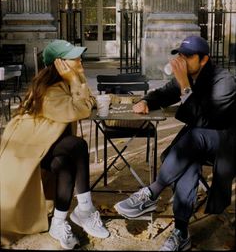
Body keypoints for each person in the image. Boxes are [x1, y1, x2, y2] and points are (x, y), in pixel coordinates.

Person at [114, 35, 236, 251]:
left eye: (188, 56)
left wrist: (185, 86)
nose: (181, 60)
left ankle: (152, 192)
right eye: (180, 55)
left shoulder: (223, 80)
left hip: (225, 142)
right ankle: (181, 231)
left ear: (204, 59)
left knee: (194, 137)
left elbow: (207, 121)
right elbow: (163, 94)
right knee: (188, 160)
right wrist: (146, 101)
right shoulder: (188, 75)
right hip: (196, 145)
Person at [0, 39, 109, 250]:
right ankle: (84, 210)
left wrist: (80, 84)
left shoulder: (64, 84)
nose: (80, 62)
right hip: (30, 151)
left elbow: (88, 101)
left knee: (65, 161)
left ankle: (58, 223)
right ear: (61, 65)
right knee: (77, 146)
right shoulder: (50, 92)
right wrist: (77, 82)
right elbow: (81, 109)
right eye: (75, 59)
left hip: (50, 148)